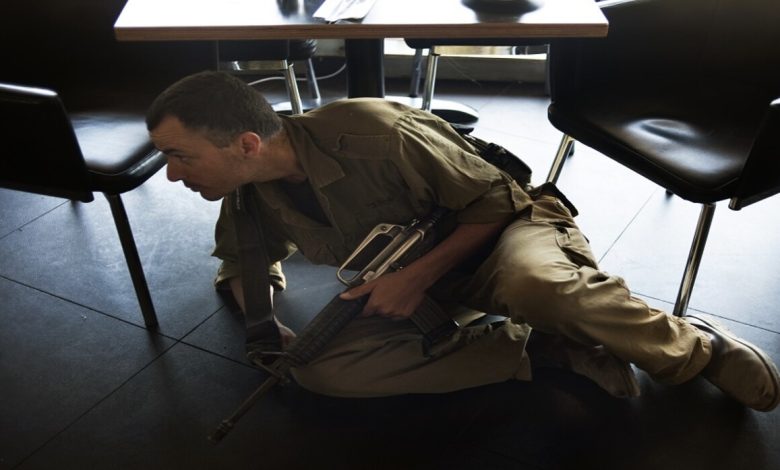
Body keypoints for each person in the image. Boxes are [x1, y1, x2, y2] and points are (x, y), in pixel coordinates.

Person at [146, 70, 779, 410]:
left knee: (538, 286)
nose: (172, 174)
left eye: (180, 156)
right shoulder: (249, 192)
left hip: (502, 236)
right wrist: (269, 328)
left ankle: (697, 350)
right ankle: (546, 351)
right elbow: (243, 265)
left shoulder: (376, 132)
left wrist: (414, 278)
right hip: (428, 286)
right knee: (322, 371)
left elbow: (497, 201)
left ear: (246, 143)